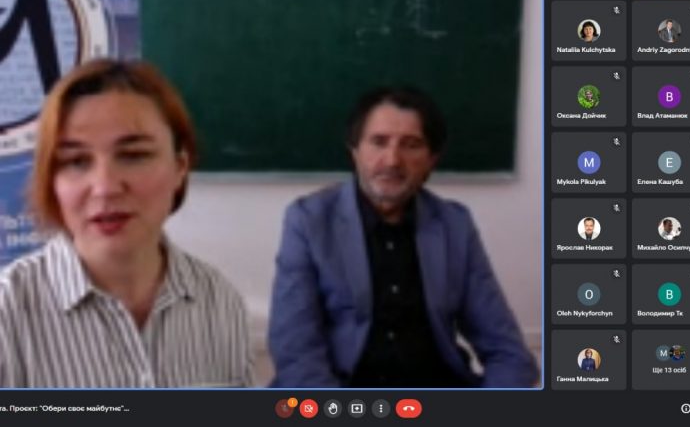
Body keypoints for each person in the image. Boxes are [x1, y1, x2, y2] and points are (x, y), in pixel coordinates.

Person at [0, 59, 252, 387]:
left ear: (180, 168)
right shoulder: (8, 310)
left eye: (133, 155)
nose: (105, 187)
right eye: (76, 161)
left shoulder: (219, 300)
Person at [268, 86, 538, 388]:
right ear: (355, 151)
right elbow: (296, 354)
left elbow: (507, 351)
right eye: (379, 142)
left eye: (411, 145)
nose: (393, 160)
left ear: (432, 159)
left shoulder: (454, 224)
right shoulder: (308, 220)